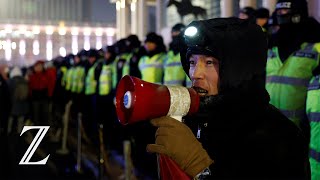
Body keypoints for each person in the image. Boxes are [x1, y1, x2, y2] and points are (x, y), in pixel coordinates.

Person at [146, 18, 310, 179]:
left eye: (209, 62)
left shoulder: (278, 136)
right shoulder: (192, 120)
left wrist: (199, 167)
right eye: (192, 62)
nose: (195, 74)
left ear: (238, 69)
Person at [266, 0, 320, 179]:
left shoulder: (316, 48)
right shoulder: (271, 47)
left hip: (302, 138)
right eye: (279, 13)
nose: (282, 18)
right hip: (271, 136)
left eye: (286, 13)